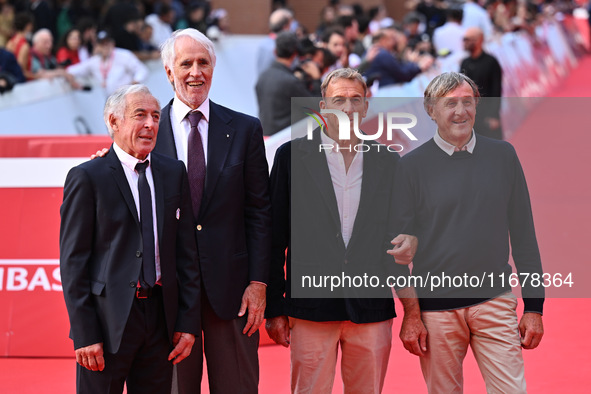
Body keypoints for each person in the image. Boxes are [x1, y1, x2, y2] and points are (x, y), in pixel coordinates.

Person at [266, 68, 417, 393]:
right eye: (338, 100)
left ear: (366, 106)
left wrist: (412, 311)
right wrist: (275, 308)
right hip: (309, 309)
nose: (347, 108)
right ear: (323, 107)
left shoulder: (387, 162)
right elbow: (274, 238)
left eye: (355, 100)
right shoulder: (291, 157)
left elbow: (397, 243)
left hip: (370, 308)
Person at [394, 72, 544, 393]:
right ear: (431, 110)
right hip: (436, 311)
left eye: (467, 101)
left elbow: (524, 234)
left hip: (495, 302)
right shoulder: (410, 168)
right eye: (450, 104)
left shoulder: (503, 155)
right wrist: (411, 315)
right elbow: (396, 253)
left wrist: (534, 307)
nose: (460, 111)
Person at [60, 84, 201, 393]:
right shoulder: (88, 177)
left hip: (161, 320)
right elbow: (73, 264)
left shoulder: (173, 172)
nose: (150, 124)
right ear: (114, 122)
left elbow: (186, 253)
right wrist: (84, 333)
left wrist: (188, 324)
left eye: (155, 116)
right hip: (107, 322)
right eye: (140, 115)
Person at [156, 28, 272, 393]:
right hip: (169, 294)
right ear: (168, 71)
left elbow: (260, 213)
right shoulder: (147, 131)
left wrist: (258, 282)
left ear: (214, 67)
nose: (195, 72)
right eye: (185, 63)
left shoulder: (244, 129)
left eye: (203, 62)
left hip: (234, 291)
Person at [255, 31, 321, 136]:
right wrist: (317, 79)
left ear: (275, 52)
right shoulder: (290, 81)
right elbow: (316, 108)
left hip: (265, 135)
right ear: (295, 53)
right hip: (283, 138)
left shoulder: (263, 76)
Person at [66, 30, 148, 95]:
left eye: (107, 43)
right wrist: (63, 74)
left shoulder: (124, 55)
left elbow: (142, 70)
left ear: (112, 43)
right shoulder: (94, 61)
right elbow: (72, 70)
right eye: (102, 44)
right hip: (112, 99)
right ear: (97, 46)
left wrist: (135, 82)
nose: (105, 46)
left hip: (129, 95)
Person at [460, 26, 503, 139]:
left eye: (468, 39)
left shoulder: (491, 62)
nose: (465, 42)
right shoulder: (465, 63)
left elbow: (496, 90)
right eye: (464, 39)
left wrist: (493, 115)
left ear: (479, 40)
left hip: (488, 116)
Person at [363, 26, 432, 88]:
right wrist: (418, 66)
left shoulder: (373, 50)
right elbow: (403, 74)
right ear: (383, 40)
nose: (395, 41)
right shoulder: (382, 54)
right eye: (392, 39)